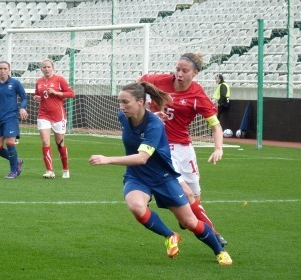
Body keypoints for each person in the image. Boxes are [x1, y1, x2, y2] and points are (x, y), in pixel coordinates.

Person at [89, 82, 232, 265]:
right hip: (137, 176)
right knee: (136, 207)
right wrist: (151, 115)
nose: (121, 107)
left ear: (140, 101)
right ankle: (170, 235)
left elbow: (142, 158)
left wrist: (107, 159)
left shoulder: (155, 125)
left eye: (126, 102)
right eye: (120, 102)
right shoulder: (124, 116)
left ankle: (219, 250)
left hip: (163, 178)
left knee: (190, 222)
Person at [139, 52, 228, 247]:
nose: (178, 73)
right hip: (161, 147)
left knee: (195, 194)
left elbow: (215, 125)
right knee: (186, 193)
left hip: (184, 148)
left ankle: (186, 216)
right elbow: (137, 86)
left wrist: (218, 147)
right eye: (177, 69)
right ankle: (213, 233)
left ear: (195, 73)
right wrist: (148, 112)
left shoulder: (197, 95)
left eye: (184, 70)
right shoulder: (159, 80)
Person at [0, 61, 28, 179]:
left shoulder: (15, 83)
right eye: (0, 68)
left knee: (10, 143)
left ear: (9, 70)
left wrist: (22, 108)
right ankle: (17, 161)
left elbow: (24, 98)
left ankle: (13, 171)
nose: (3, 71)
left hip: (11, 117)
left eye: (5, 68)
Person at [33, 59, 75, 179]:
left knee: (60, 143)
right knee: (45, 142)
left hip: (58, 115)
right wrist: (37, 97)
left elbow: (71, 93)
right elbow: (38, 94)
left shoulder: (59, 79)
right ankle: (49, 170)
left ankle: (65, 168)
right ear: (41, 69)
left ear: (53, 68)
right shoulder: (39, 82)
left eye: (48, 67)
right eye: (44, 67)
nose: (46, 69)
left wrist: (57, 93)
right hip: (43, 114)